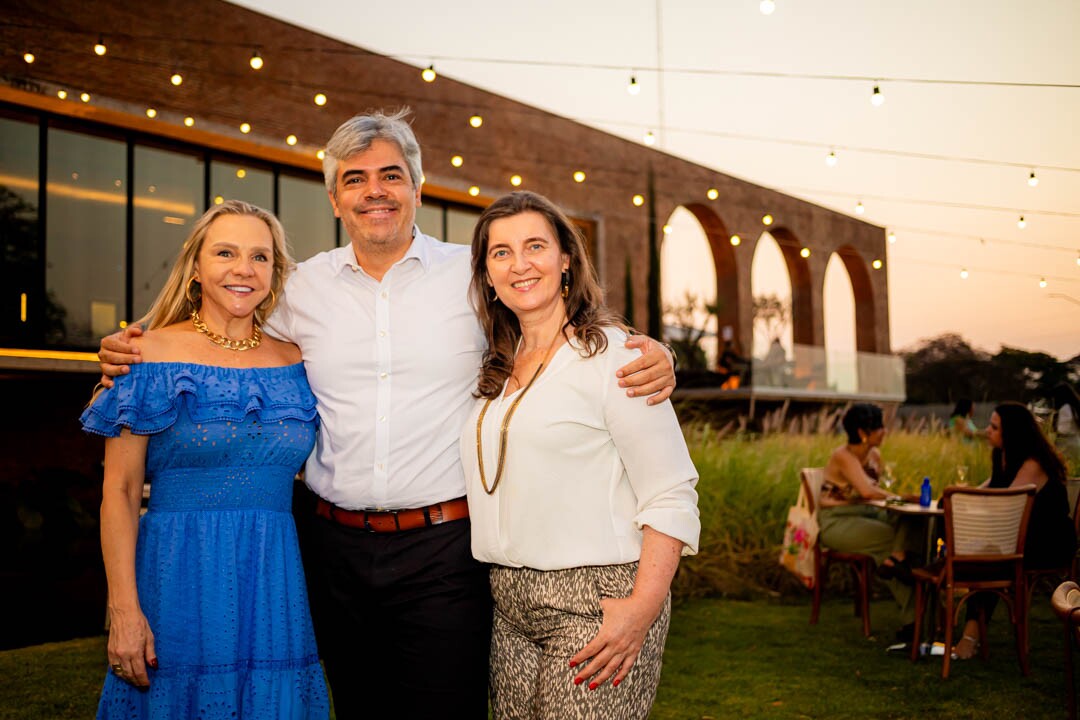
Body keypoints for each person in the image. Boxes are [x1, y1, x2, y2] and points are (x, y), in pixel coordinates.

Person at [96, 109, 676, 718]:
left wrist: (648, 348)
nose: (375, 191)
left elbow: (552, 319)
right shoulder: (296, 289)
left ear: (417, 189)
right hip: (329, 550)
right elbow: (217, 340)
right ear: (335, 199)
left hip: (444, 551)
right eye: (355, 179)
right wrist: (129, 356)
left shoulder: (476, 277)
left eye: (391, 175)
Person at [81, 201, 329, 718]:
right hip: (175, 578)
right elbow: (120, 492)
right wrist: (123, 609)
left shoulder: (301, 360)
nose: (244, 268)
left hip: (273, 581)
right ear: (196, 267)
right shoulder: (145, 355)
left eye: (260, 257)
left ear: (274, 273)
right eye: (225, 253)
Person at [461, 191, 700, 719]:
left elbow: (672, 490)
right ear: (487, 274)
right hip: (509, 602)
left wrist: (642, 608)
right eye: (500, 252)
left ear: (566, 258)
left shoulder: (614, 356)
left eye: (534, 246)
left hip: (596, 597)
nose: (519, 264)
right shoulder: (496, 370)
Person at [951, 401, 1077, 660]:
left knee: (989, 560)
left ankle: (970, 635)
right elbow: (982, 491)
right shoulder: (1004, 457)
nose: (988, 431)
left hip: (1048, 542)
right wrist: (955, 498)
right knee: (984, 555)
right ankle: (965, 628)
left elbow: (1004, 506)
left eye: (994, 427)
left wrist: (966, 502)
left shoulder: (1033, 464)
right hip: (1017, 538)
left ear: (1012, 432)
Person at [818, 403, 917, 640]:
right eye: (879, 427)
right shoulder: (843, 456)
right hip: (836, 522)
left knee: (912, 524)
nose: (884, 431)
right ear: (863, 433)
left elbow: (875, 493)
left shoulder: (874, 456)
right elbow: (868, 492)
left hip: (865, 513)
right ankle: (914, 620)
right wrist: (900, 497)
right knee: (889, 538)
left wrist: (901, 502)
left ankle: (897, 561)